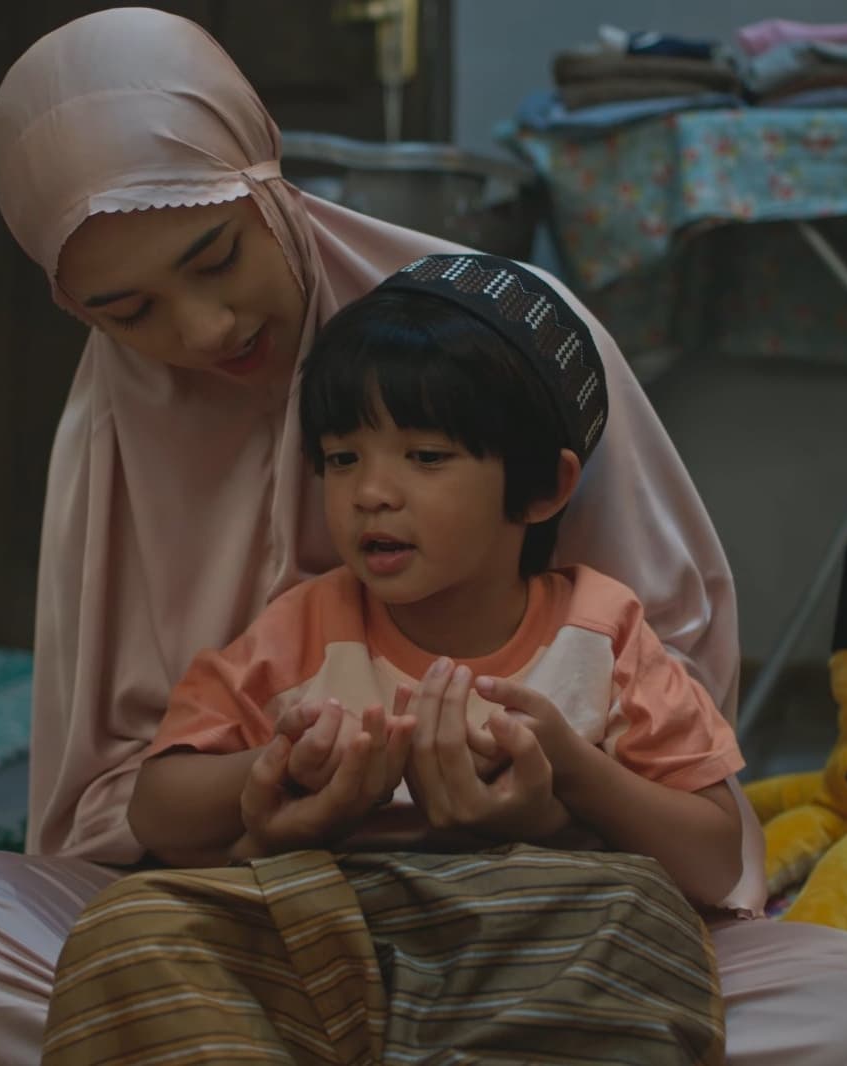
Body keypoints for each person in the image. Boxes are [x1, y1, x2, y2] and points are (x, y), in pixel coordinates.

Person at [0, 9, 847, 1065]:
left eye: (215, 257)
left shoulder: (501, 346)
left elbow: (680, 783)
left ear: (268, 185)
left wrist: (550, 802)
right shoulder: (145, 460)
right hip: (245, 935)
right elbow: (137, 805)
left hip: (553, 926)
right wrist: (268, 800)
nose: (202, 331)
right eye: (128, 311)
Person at [42, 253, 739, 1063]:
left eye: (425, 456)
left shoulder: (602, 631)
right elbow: (157, 814)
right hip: (329, 924)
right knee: (135, 921)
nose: (370, 492)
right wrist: (277, 770)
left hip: (533, 934)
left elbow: (712, 861)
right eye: (342, 458)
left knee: (639, 913)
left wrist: (570, 777)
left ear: (543, 489)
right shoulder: (306, 624)